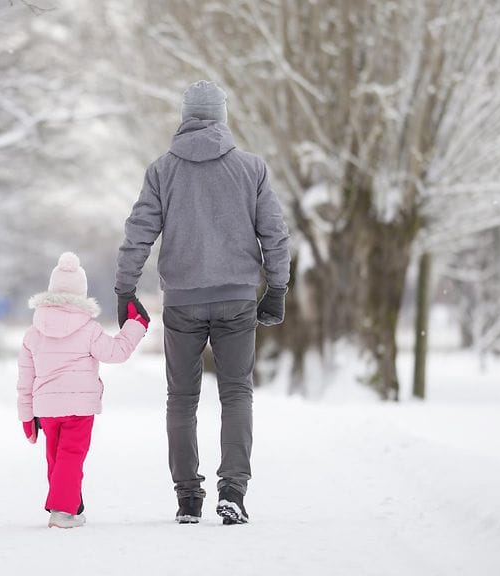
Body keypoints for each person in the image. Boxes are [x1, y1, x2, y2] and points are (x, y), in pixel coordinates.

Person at [115, 80, 291, 525]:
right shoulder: (252, 169)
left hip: (183, 303)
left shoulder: (162, 170)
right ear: (222, 116)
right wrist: (277, 288)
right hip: (236, 299)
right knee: (236, 394)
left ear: (185, 116)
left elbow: (138, 234)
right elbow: (274, 233)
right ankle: (233, 489)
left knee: (182, 398)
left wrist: (125, 289)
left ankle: (188, 496)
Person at [17, 252, 148, 529]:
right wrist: (137, 326)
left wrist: (27, 417)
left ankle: (68, 504)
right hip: (79, 407)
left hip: (47, 408)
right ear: (81, 293)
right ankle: (63, 511)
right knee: (71, 455)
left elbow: (25, 379)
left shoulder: (33, 332)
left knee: (55, 456)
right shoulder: (88, 329)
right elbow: (117, 352)